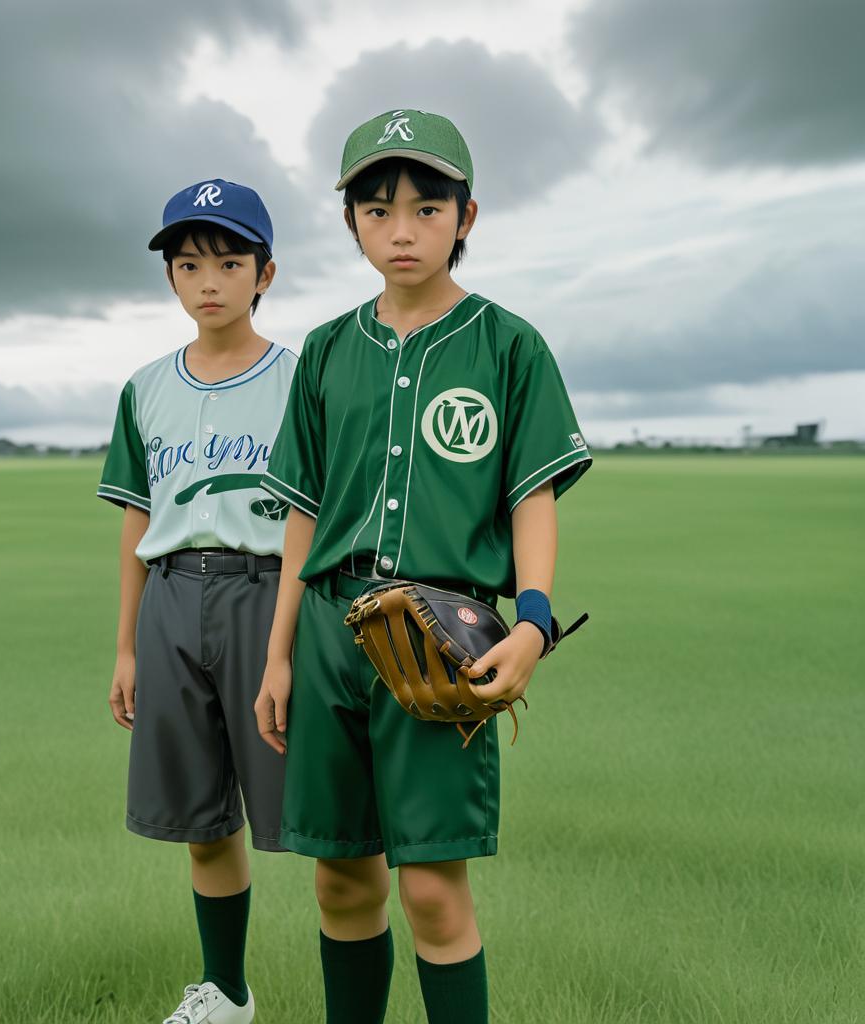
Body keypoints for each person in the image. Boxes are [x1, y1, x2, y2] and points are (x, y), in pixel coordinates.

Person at [255, 110, 592, 1023]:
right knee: (341, 884)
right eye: (376, 209)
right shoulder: (325, 350)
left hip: (444, 631)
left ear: (466, 216)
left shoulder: (508, 344)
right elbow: (304, 514)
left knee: (434, 894)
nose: (401, 230)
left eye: (425, 208)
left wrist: (533, 619)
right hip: (329, 629)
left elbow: (531, 495)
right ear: (353, 222)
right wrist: (280, 655)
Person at [99, 179, 295, 1024]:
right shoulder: (145, 388)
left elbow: (311, 516)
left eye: (228, 261)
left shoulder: (302, 378)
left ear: (265, 273)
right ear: (171, 279)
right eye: (187, 264)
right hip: (174, 598)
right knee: (204, 823)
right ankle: (227, 993)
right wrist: (126, 647)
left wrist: (288, 646)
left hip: (268, 596)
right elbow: (138, 520)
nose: (207, 280)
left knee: (323, 819)